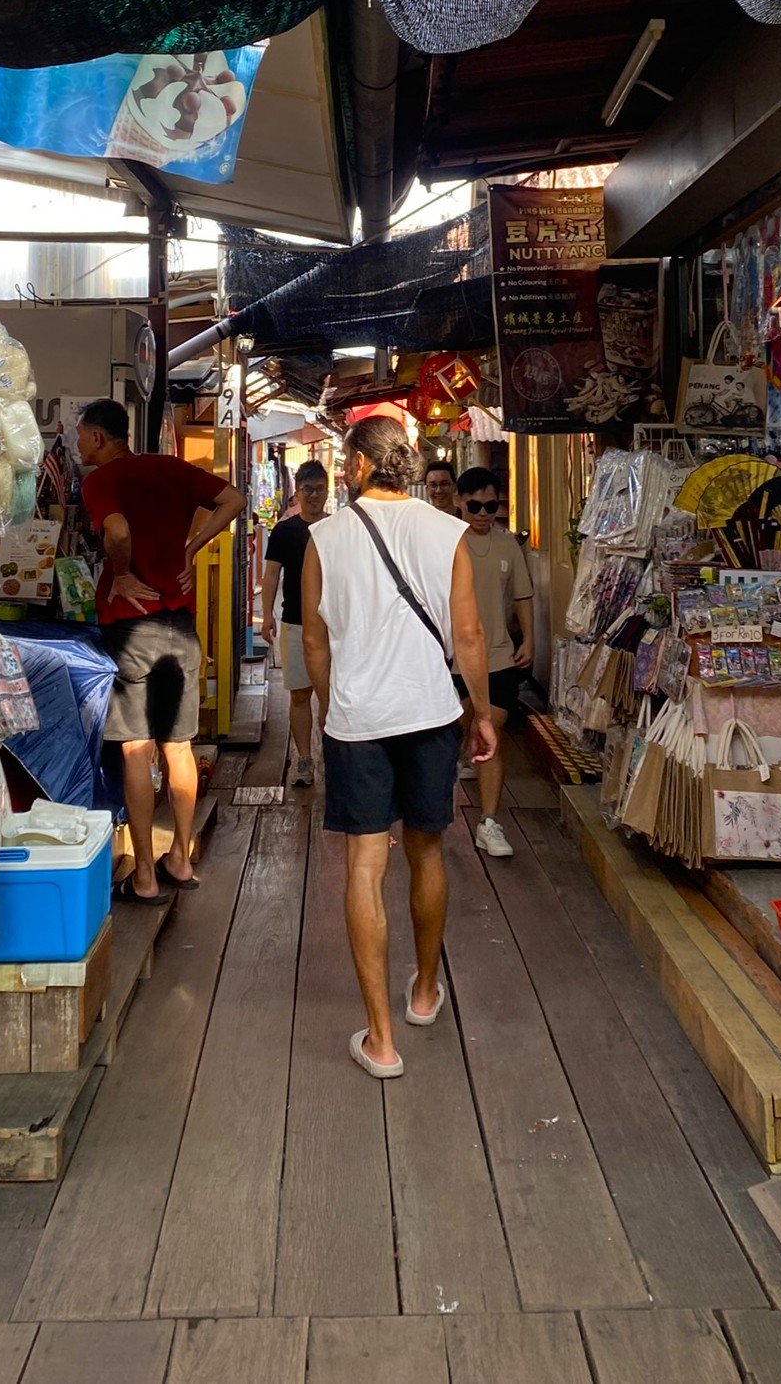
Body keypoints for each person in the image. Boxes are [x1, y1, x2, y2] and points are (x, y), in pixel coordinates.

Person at [301, 415, 495, 1080]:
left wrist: (332, 707)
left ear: (357, 464)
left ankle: (381, 1041)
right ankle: (423, 991)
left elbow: (313, 642)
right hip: (431, 711)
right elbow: (468, 634)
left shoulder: (323, 538)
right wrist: (484, 712)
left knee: (363, 865)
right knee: (427, 845)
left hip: (359, 719)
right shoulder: (449, 532)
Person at [77, 398, 245, 904]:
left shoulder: (101, 481)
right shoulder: (172, 469)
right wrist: (191, 548)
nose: (78, 443)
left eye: (81, 435)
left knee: (134, 746)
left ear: (100, 437)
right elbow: (234, 500)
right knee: (178, 746)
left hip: (131, 628)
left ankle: (146, 872)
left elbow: (118, 530)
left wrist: (122, 572)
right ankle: (182, 858)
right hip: (179, 626)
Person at [451, 467, 535, 860]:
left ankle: (488, 820)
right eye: (475, 505)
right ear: (459, 501)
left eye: (491, 505)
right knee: (457, 728)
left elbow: (522, 597)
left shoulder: (507, 546)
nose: (483, 513)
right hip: (452, 658)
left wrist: (530, 639)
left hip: (498, 654)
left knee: (492, 733)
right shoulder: (446, 544)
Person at [261, 460, 331, 789]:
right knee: (300, 695)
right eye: (307, 489)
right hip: (294, 623)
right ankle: (305, 759)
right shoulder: (284, 531)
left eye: (319, 488)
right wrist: (266, 615)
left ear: (328, 490)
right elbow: (272, 574)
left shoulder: (338, 528)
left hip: (334, 626)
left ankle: (334, 754)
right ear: (297, 493)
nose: (314, 495)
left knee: (334, 696)